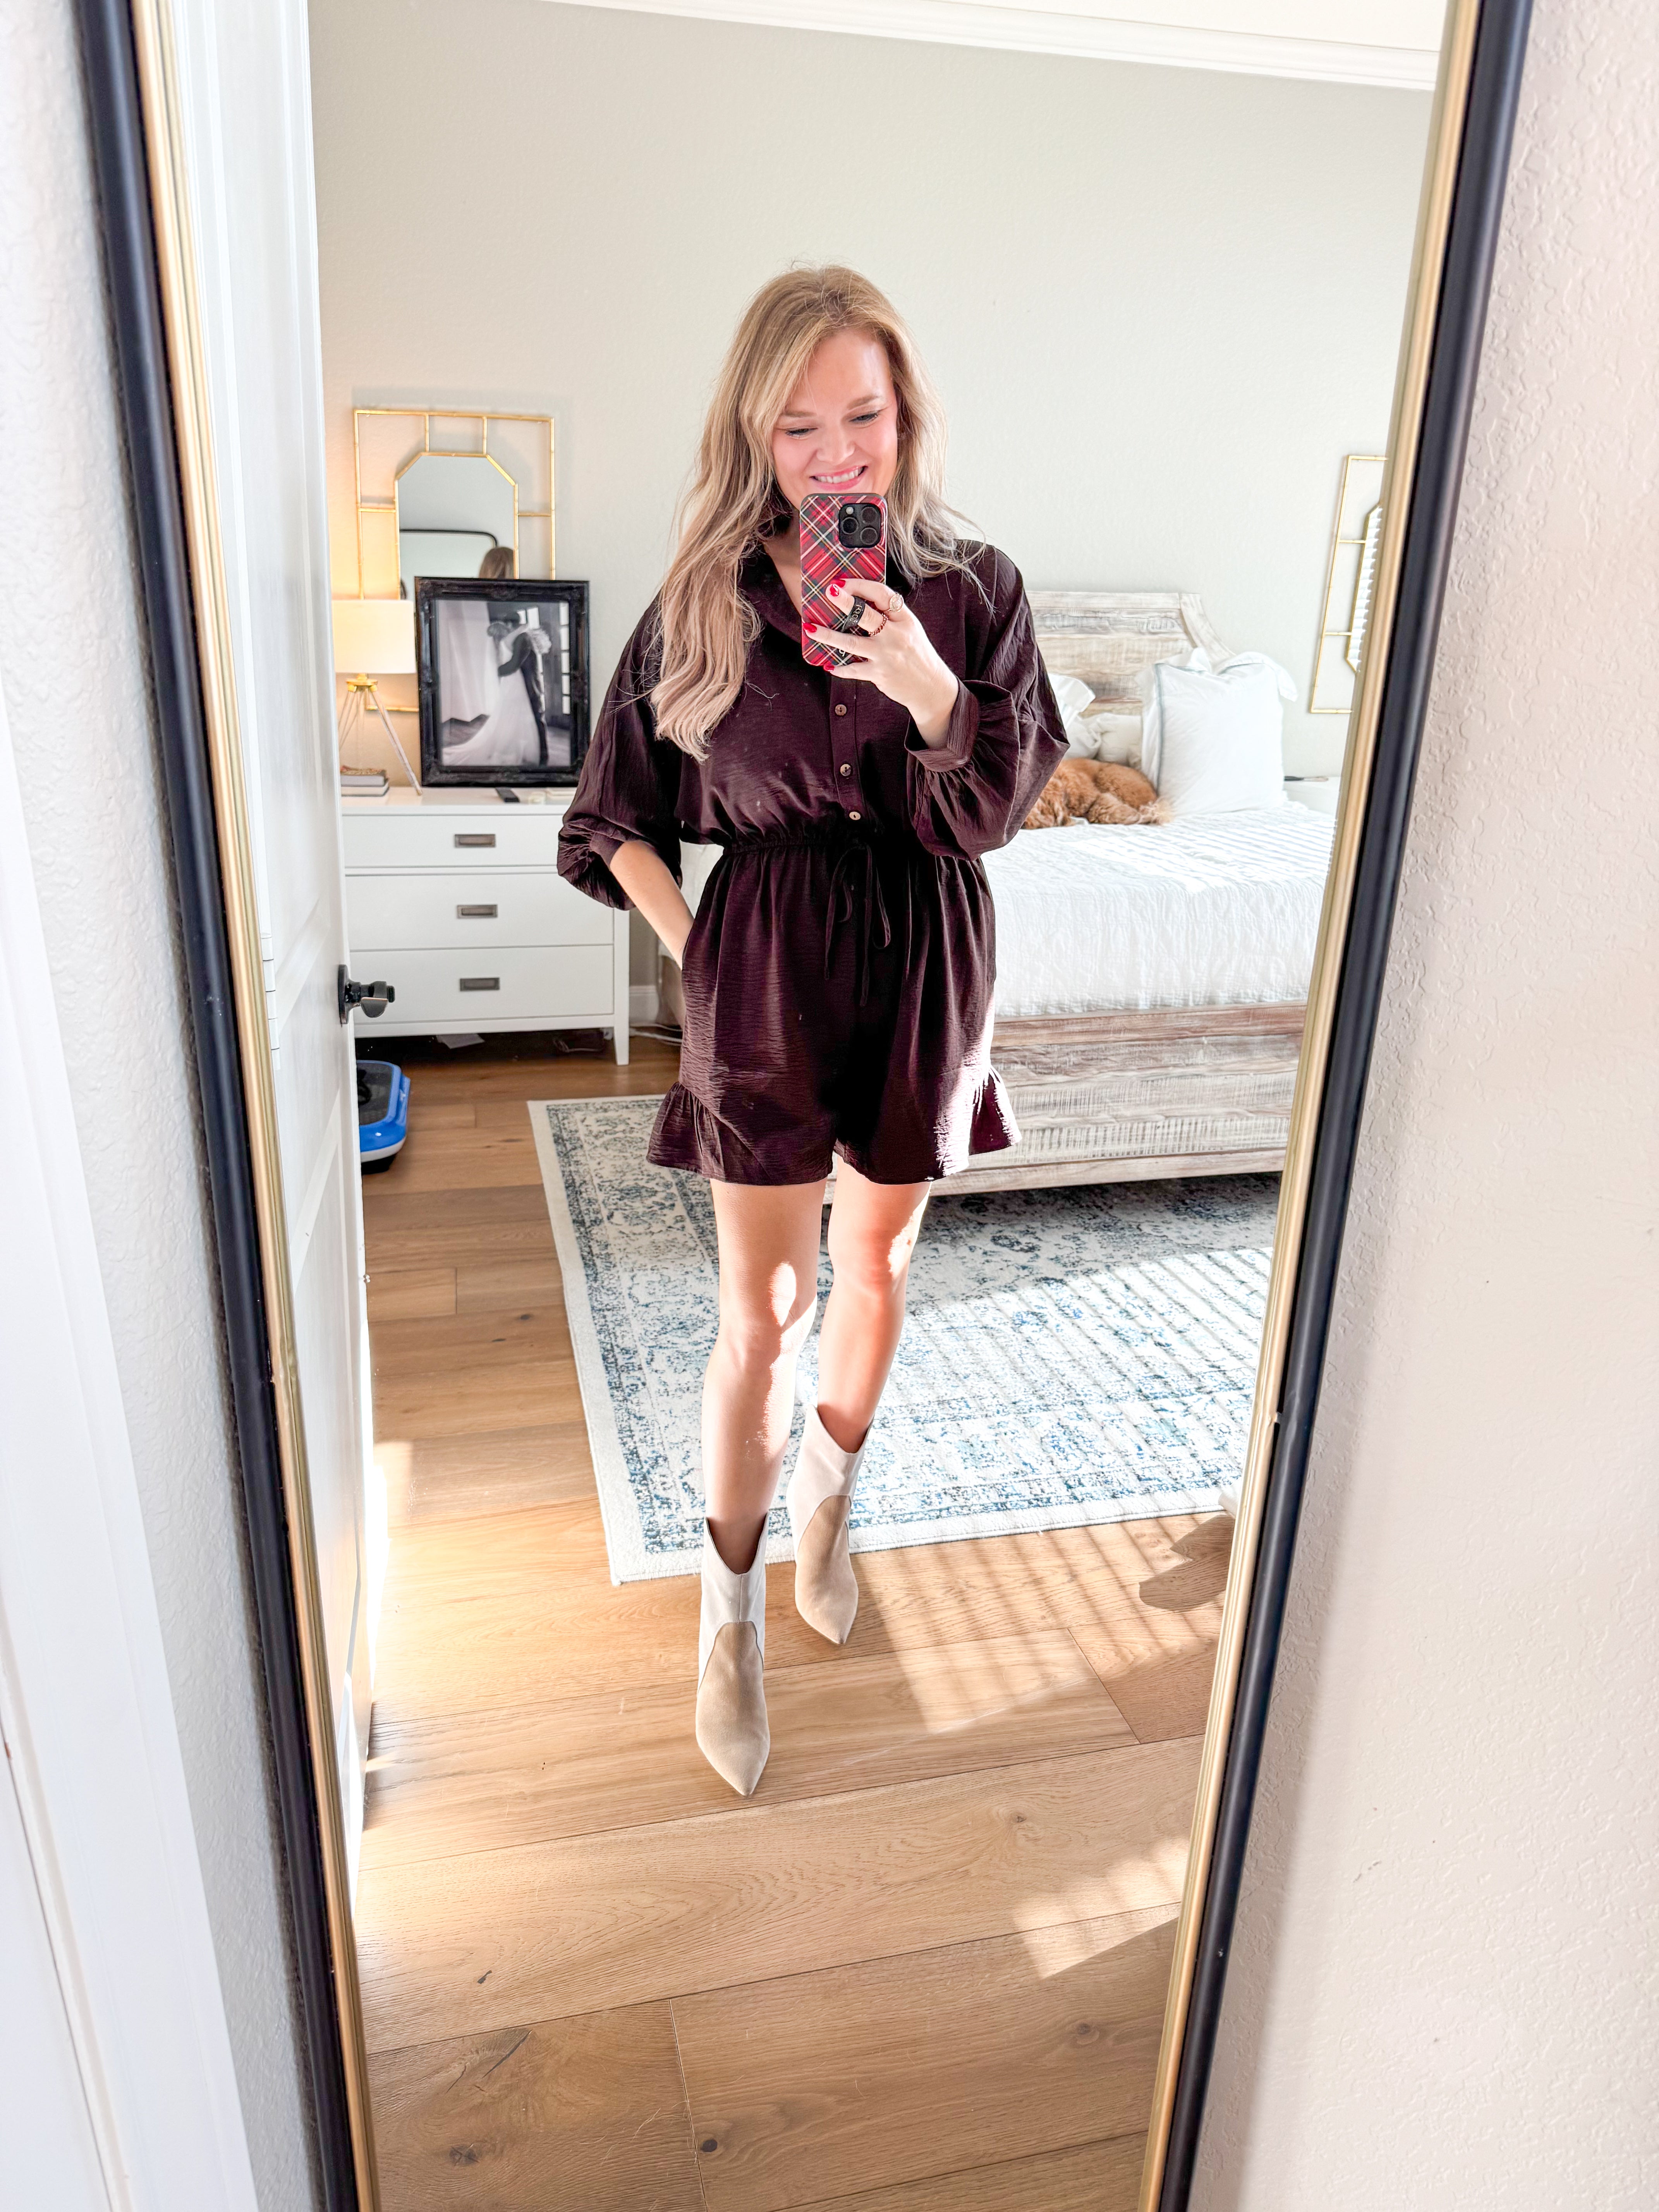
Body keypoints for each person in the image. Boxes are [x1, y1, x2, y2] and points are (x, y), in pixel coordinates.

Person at [558, 266, 1065, 1795]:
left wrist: (930, 691)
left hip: (926, 947)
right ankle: (728, 1621)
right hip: (765, 967)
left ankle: (830, 1511)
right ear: (753, 435)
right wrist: (699, 945)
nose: (839, 454)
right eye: (799, 428)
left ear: (906, 414)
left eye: (865, 416)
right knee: (761, 1314)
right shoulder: (702, 602)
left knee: (881, 1264)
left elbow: (1000, 806)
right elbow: (612, 817)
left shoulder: (974, 590)